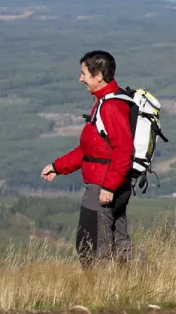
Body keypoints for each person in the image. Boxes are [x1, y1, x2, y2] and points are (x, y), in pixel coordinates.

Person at [41, 50, 139, 267]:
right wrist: (58, 167)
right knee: (120, 244)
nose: (80, 78)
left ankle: (102, 296)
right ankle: (151, 284)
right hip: (114, 184)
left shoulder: (110, 106)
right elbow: (90, 150)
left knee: (91, 247)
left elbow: (123, 150)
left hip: (102, 187)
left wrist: (109, 187)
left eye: (84, 73)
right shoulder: (107, 102)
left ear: (98, 76)